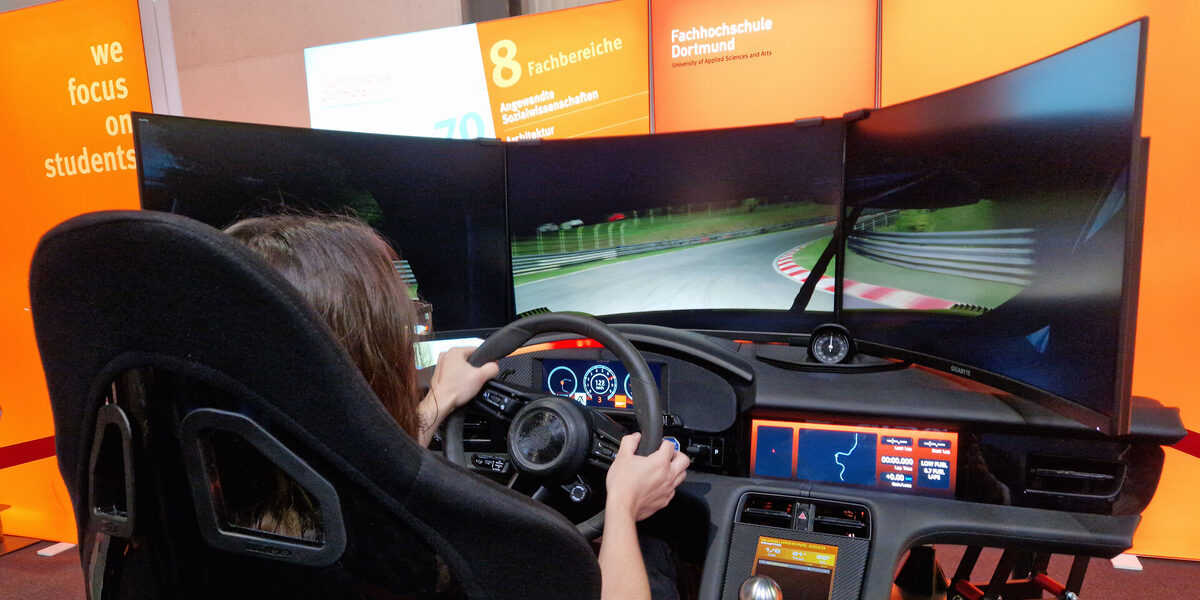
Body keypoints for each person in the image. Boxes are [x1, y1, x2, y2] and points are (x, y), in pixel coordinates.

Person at [225, 213, 688, 600]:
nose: (410, 342)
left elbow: (369, 460)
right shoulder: (393, 560)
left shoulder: (243, 489)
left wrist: (439, 401)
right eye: (404, 330)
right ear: (351, 362)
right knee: (656, 563)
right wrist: (624, 505)